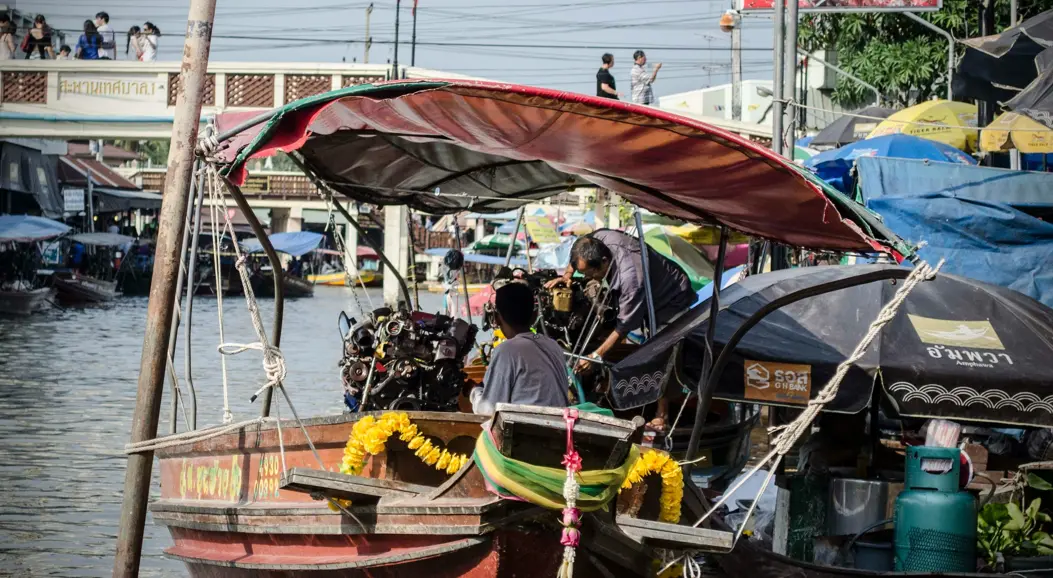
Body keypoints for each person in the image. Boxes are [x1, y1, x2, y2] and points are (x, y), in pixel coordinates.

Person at [545, 229, 695, 428]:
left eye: (591, 274)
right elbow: (579, 251)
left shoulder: (631, 279)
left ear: (605, 262)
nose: (590, 277)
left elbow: (624, 326)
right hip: (644, 289)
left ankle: (662, 415)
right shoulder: (599, 238)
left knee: (660, 348)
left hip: (669, 298)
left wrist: (597, 355)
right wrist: (568, 275)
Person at [470, 282, 570, 416]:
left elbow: (488, 410)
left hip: (526, 430)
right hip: (558, 427)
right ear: (534, 316)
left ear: (497, 318)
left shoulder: (507, 351)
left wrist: (474, 392)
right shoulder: (553, 346)